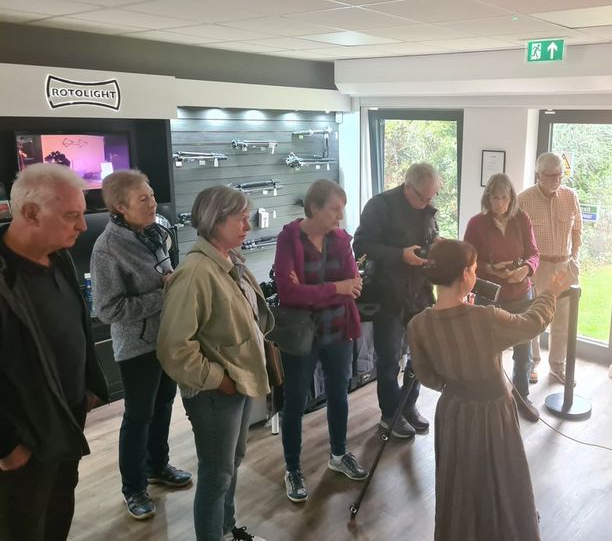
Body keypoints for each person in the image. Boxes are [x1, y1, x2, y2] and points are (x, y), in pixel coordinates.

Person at [407, 240, 567, 541]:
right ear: (466, 274)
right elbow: (531, 323)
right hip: (493, 411)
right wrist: (551, 293)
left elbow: (426, 376)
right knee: (502, 476)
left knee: (459, 479)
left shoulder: (418, 325)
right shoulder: (484, 318)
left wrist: (456, 383)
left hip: (452, 410)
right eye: (474, 268)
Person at [0, 163, 109, 541]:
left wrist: (90, 385)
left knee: (59, 509)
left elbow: (76, 326)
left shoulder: (59, 257)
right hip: (24, 434)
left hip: (67, 418)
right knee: (22, 523)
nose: (82, 226)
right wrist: (7, 445)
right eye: (71, 216)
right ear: (31, 213)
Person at [157, 186, 272, 541]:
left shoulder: (229, 261)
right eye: (240, 218)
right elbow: (174, 349)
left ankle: (226, 530)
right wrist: (219, 379)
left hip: (236, 383)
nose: (247, 225)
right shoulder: (195, 273)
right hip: (214, 392)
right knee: (217, 473)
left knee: (230, 464)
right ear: (214, 220)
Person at [90, 170, 191, 521]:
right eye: (143, 199)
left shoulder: (156, 231)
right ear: (120, 207)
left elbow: (167, 276)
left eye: (152, 195)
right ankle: (133, 489)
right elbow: (108, 310)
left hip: (167, 338)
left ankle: (157, 466)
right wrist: (163, 293)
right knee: (138, 417)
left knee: (163, 405)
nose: (153, 203)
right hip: (136, 348)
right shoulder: (106, 249)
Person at [273, 180, 368, 503]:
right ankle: (292, 468)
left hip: (338, 330)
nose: (340, 216)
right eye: (334, 209)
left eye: (342, 209)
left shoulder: (341, 239)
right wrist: (336, 288)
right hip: (301, 335)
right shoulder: (288, 239)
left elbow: (355, 286)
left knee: (339, 392)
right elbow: (288, 294)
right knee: (295, 401)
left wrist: (313, 290)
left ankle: (339, 454)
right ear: (314, 207)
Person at [353, 163, 441, 438]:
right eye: (423, 197)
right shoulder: (379, 206)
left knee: (420, 355)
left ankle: (408, 405)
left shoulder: (426, 206)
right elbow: (360, 246)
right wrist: (400, 255)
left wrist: (437, 245)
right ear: (408, 186)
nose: (428, 202)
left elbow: (431, 236)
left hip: (420, 292)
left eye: (432, 196)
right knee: (389, 358)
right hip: (387, 294)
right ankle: (390, 414)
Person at [463, 173, 540, 418]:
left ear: (511, 198)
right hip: (490, 296)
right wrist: (490, 268)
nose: (499, 204)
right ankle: (492, 400)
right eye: (495, 198)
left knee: (523, 351)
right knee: (489, 352)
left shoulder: (521, 219)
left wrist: (526, 269)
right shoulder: (476, 224)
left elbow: (534, 253)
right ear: (488, 198)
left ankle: (522, 397)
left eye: (504, 198)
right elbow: (468, 260)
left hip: (521, 293)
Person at [518, 152, 582, 385]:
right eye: (551, 175)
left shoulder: (570, 196)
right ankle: (532, 364)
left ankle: (557, 367)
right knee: (535, 318)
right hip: (538, 266)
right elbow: (517, 238)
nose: (557, 179)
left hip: (564, 265)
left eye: (560, 175)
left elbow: (577, 231)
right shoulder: (524, 199)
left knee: (562, 322)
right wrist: (525, 267)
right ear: (539, 175)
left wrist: (574, 258)